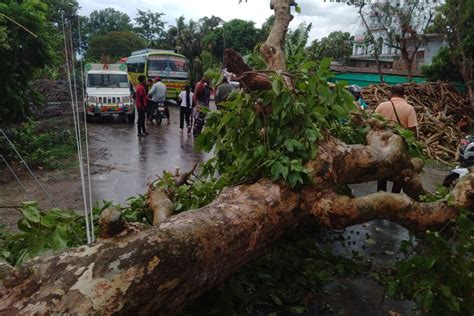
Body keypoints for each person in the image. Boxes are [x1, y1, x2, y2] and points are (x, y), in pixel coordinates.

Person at [375, 84, 418, 193]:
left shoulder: (382, 106)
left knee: (382, 171)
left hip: (382, 144)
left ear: (391, 93)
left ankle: (381, 195)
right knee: (399, 173)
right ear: (403, 94)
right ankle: (395, 196)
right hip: (400, 146)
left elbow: (373, 123)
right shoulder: (409, 108)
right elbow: (412, 130)